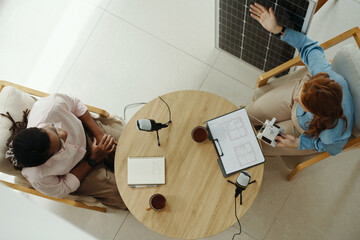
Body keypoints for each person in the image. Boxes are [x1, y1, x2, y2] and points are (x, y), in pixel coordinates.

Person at [246, 3, 354, 156]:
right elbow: (306, 45)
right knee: (247, 115)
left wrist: (298, 143)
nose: (296, 98)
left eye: (302, 101)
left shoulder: (335, 131)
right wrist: (278, 29)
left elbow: (328, 147)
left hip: (303, 129)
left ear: (316, 113)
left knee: (256, 147)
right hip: (300, 107)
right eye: (302, 92)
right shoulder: (323, 73)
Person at [12, 93, 127, 209]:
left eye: (54, 129)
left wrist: (100, 135)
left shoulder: (49, 107)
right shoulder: (37, 176)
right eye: (60, 145)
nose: (64, 133)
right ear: (46, 160)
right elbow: (62, 188)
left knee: (129, 150)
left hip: (88, 133)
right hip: (77, 171)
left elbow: (76, 104)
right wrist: (92, 161)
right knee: (122, 192)